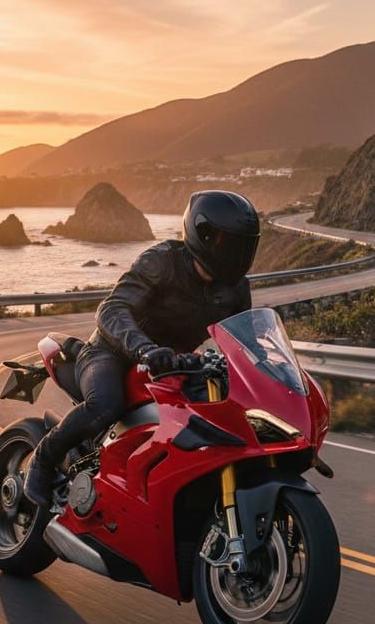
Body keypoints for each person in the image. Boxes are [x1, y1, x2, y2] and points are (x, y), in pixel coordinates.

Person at [23, 190, 260, 508]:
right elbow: (112, 309)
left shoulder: (235, 288)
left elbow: (245, 339)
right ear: (202, 234)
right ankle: (43, 459)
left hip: (171, 365)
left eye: (242, 245)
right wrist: (145, 349)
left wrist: (264, 367)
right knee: (106, 404)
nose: (234, 253)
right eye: (226, 242)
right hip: (112, 352)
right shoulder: (162, 261)